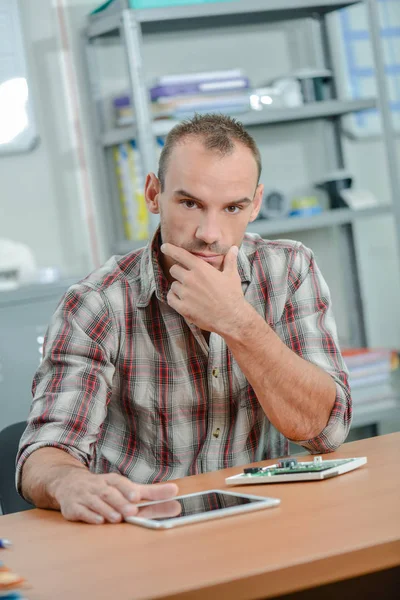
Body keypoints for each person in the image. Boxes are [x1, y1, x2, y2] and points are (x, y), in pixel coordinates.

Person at [17, 114, 351, 525]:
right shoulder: (95, 304)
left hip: (264, 522)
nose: (210, 233)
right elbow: (45, 451)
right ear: (153, 194)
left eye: (233, 207)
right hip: (140, 533)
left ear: (256, 204)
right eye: (190, 203)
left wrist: (236, 321)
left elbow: (327, 432)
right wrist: (68, 482)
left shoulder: (291, 269)